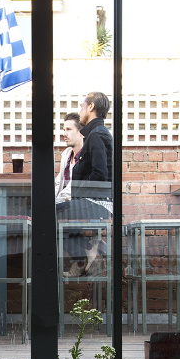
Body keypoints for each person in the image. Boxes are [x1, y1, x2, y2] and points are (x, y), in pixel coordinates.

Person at [56, 92, 113, 276]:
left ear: (91, 107)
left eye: (82, 106)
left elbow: (100, 174)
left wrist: (77, 193)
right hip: (93, 200)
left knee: (51, 214)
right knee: (58, 212)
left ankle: (85, 253)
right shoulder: (95, 135)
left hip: (98, 203)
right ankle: (87, 251)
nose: (80, 110)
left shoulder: (96, 136)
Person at [55, 112, 84, 205]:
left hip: (80, 206)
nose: (64, 134)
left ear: (81, 132)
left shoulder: (87, 156)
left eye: (68, 129)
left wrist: (55, 203)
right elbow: (58, 183)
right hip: (64, 204)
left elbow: (73, 189)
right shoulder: (66, 155)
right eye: (64, 130)